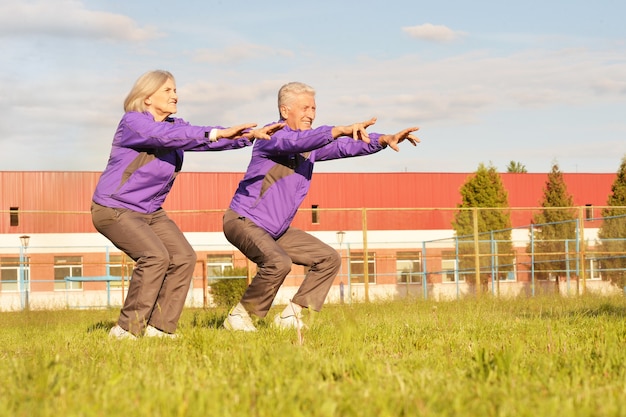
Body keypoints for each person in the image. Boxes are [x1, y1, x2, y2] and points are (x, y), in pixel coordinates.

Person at [92, 70, 282, 339]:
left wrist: (248, 136)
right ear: (147, 97)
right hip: (115, 208)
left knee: (183, 257)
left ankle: (160, 328)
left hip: (150, 212)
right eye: (168, 90)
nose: (175, 95)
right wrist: (217, 132)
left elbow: (199, 140)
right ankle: (126, 330)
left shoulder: (174, 126)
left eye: (175, 90)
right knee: (155, 256)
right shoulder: (133, 123)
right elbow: (167, 137)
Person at [222, 81, 420, 332]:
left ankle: (290, 316)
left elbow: (345, 146)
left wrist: (383, 139)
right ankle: (240, 316)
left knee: (327, 258)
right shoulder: (270, 137)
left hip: (275, 230)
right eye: (305, 108)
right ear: (285, 111)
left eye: (314, 108)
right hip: (244, 221)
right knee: (278, 262)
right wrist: (338, 129)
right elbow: (298, 142)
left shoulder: (310, 145)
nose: (311, 114)